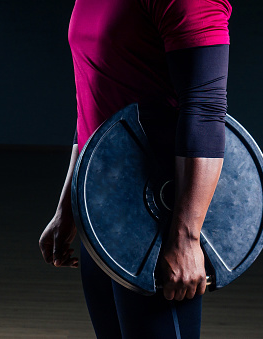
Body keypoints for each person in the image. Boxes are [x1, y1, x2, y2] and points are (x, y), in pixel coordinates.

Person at [39, 0, 232, 338]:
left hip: (154, 215)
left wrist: (186, 237)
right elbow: (95, 101)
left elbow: (205, 108)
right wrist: (68, 204)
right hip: (98, 209)